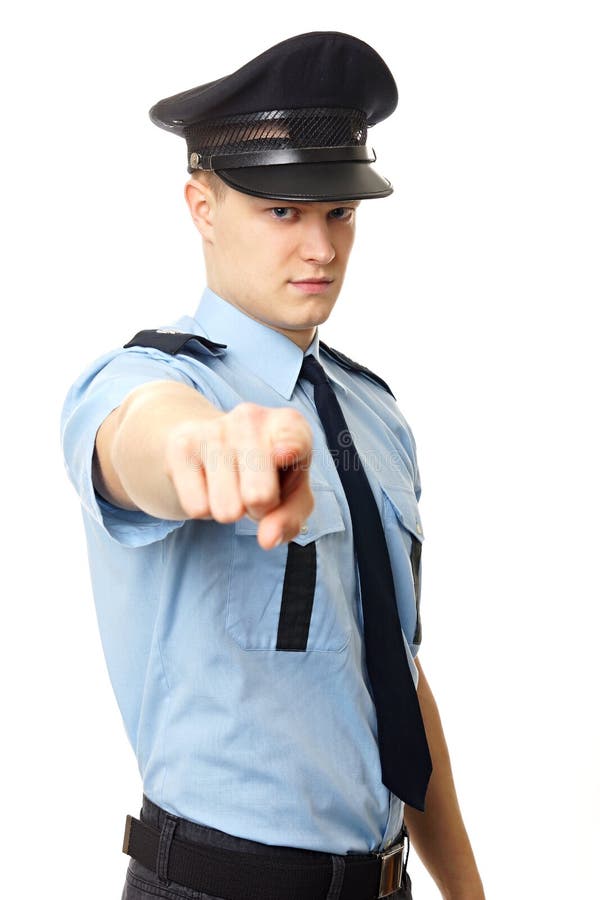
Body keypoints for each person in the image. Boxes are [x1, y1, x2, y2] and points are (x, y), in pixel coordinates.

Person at [60, 31, 485, 900]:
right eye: (283, 211)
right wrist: (203, 449)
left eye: (340, 212)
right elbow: (139, 444)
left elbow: (394, 678)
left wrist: (468, 891)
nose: (322, 249)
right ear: (202, 206)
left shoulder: (377, 415)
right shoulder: (150, 382)